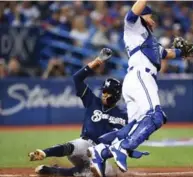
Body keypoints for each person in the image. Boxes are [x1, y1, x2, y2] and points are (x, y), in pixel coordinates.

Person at [87, 1, 193, 176]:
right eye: (149, 15)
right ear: (142, 16)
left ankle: (100, 152)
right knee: (156, 116)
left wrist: (185, 52)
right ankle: (121, 148)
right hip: (141, 76)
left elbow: (167, 53)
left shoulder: (149, 41)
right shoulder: (134, 26)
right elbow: (133, 12)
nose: (152, 19)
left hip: (136, 80)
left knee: (132, 127)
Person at [28, 48, 128, 177]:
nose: (103, 95)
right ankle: (44, 153)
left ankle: (54, 171)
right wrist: (97, 62)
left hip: (98, 155)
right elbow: (77, 78)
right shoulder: (92, 101)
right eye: (103, 91)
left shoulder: (122, 115)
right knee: (77, 145)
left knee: (105, 173)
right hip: (84, 145)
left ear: (115, 95)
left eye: (107, 93)